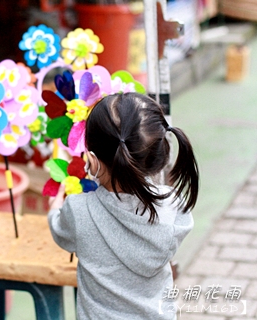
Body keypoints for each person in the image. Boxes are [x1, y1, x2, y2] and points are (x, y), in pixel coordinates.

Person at [48, 92, 199, 320]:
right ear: (157, 156)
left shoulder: (78, 210)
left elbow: (61, 232)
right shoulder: (172, 205)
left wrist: (54, 206)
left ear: (93, 161)